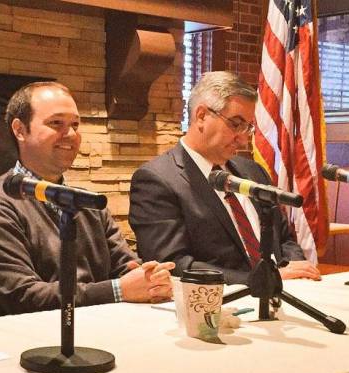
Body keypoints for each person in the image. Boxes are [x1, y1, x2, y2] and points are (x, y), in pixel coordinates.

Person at [0, 81, 174, 316]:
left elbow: (124, 264)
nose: (70, 134)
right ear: (19, 130)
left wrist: (150, 277)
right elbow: (23, 297)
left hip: (103, 328)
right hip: (31, 344)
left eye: (75, 125)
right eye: (56, 123)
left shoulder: (86, 202)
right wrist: (118, 290)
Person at [129, 71, 320, 285]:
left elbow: (283, 239)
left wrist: (295, 271)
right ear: (201, 116)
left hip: (284, 294)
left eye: (248, 127)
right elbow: (174, 264)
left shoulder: (253, 172)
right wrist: (260, 280)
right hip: (218, 305)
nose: (243, 139)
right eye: (236, 124)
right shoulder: (157, 180)